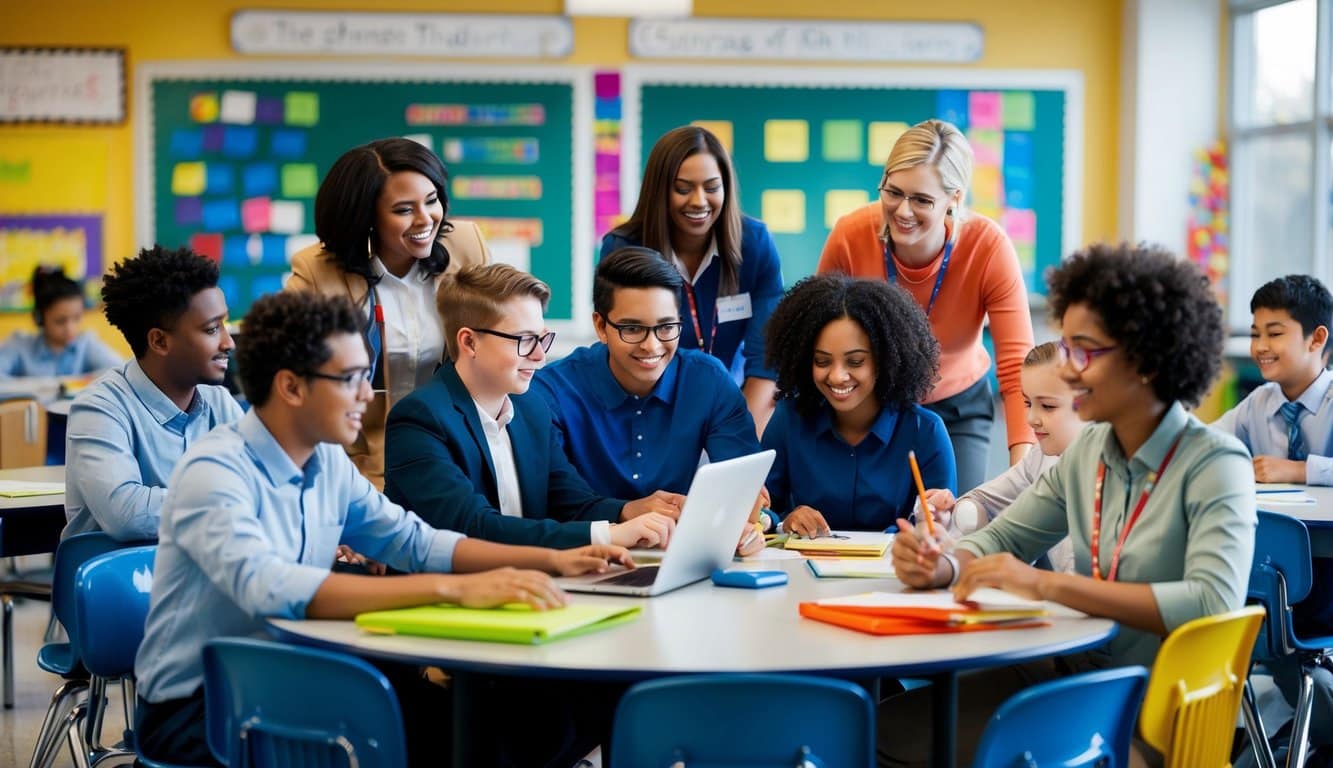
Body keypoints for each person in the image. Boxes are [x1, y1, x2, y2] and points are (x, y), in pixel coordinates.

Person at [133, 291, 633, 767]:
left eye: (365, 376)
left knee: (510, 724)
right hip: (203, 706)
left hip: (297, 668)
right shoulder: (215, 472)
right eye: (349, 378)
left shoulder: (324, 458)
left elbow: (411, 539)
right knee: (443, 737)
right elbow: (271, 589)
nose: (365, 396)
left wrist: (551, 560)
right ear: (290, 386)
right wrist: (458, 590)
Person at [887, 242, 1256, 766]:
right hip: (1072, 676)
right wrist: (943, 563)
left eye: (1085, 351)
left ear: (1146, 359)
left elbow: (1210, 602)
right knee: (881, 733)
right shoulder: (1087, 451)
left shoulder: (1216, 464)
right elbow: (1003, 537)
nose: (1070, 370)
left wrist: (1046, 584)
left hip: (1155, 711)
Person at [385, 263, 682, 550]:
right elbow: (474, 528)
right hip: (440, 592)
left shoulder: (531, 409)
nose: (540, 356)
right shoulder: (420, 419)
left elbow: (572, 503)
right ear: (470, 342)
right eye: (525, 340)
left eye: (541, 339)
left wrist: (632, 513)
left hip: (523, 583)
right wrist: (607, 535)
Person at [818, 118, 1035, 494]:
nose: (902, 211)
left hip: (956, 406)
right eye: (893, 192)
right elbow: (814, 335)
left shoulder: (988, 247)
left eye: (921, 200)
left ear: (954, 199)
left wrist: (1026, 470)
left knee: (954, 520)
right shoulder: (851, 235)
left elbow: (1018, 365)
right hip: (869, 402)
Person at [531, 246, 767, 556]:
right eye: (632, 329)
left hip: (681, 557)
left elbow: (746, 488)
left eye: (666, 327)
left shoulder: (707, 380)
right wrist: (625, 511)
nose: (652, 345)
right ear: (601, 326)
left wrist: (750, 524)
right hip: (584, 558)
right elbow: (553, 501)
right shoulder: (552, 390)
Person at [286, 136, 490, 489]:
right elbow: (300, 388)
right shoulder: (316, 272)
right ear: (366, 216)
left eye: (432, 201)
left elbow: (495, 344)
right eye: (404, 210)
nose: (426, 219)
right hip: (358, 465)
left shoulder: (465, 245)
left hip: (454, 454)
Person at [1212, 274, 1333, 754]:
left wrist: (1302, 469)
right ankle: (1299, 725)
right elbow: (1206, 447)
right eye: (1256, 331)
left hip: (1322, 580)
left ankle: (1309, 723)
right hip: (1263, 585)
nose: (1260, 345)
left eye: (1275, 332)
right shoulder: (1258, 403)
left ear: (1317, 338)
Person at [601, 125, 785, 434]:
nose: (699, 201)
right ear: (660, 190)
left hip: (736, 401)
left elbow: (765, 360)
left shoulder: (754, 244)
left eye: (712, 187)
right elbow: (625, 354)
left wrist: (738, 444)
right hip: (647, 406)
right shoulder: (623, 248)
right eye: (683, 188)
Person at [62, 246, 242, 541]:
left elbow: (262, 488)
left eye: (226, 324)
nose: (228, 343)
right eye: (212, 329)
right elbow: (127, 514)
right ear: (159, 341)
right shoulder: (98, 408)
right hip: (120, 581)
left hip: (198, 576)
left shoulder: (220, 404)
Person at [760, 273, 956, 536]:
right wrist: (786, 522)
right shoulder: (788, 420)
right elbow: (760, 510)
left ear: (885, 359)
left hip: (894, 572)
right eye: (822, 361)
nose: (837, 376)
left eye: (855, 362)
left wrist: (928, 521)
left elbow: (942, 528)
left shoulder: (925, 431)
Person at [920, 342, 1088, 571]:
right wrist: (948, 513)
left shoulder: (1104, 467)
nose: (1031, 418)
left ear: (1090, 403)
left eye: (1048, 406)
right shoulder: (1041, 459)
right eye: (1028, 403)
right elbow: (992, 515)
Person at [0, 265, 121, 378]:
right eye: (60, 321)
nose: (70, 328)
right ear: (39, 317)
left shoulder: (86, 344)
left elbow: (120, 371)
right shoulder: (20, 345)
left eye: (76, 318)